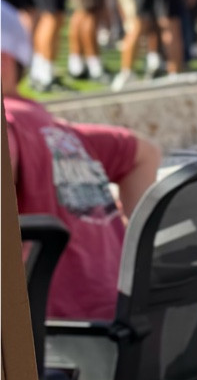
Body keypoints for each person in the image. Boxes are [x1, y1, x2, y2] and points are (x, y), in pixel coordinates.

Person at [5, 61, 163, 321]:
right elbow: (145, 153)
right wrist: (136, 242)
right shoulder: (58, 130)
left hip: (58, 336)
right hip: (124, 320)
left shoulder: (10, 122)